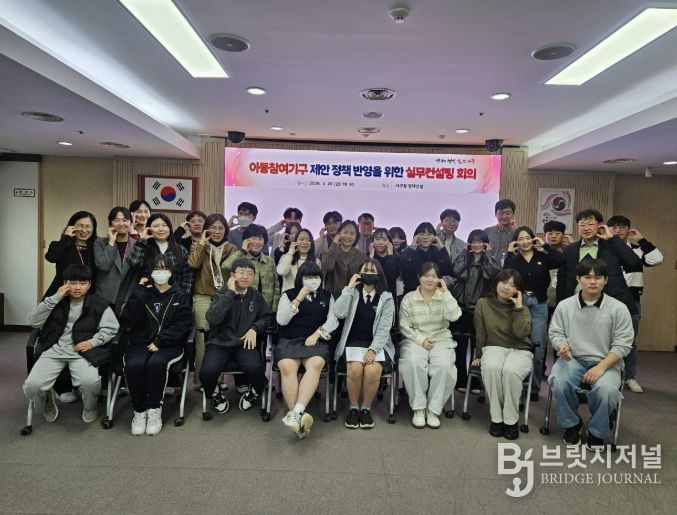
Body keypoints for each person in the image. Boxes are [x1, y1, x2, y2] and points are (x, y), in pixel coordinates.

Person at [548, 259, 633, 450]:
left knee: (607, 390)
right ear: (578, 279)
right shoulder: (565, 306)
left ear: (606, 280)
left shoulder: (618, 308)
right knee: (558, 381)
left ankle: (597, 430)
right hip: (573, 359)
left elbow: (623, 344)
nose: (593, 282)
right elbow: (556, 332)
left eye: (598, 277)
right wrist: (561, 345)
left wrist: (601, 367)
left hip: (606, 362)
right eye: (587, 277)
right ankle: (572, 424)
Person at [23, 264, 119, 424]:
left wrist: (92, 342)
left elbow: (111, 328)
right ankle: (47, 402)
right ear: (65, 283)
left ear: (89, 285)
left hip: (82, 352)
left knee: (90, 382)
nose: (77, 287)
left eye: (82, 283)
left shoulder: (99, 304)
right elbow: (33, 322)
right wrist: (55, 298)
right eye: (72, 283)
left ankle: (90, 408)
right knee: (32, 386)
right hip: (53, 350)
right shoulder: (55, 301)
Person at [122, 256, 192, 435]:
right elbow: (129, 319)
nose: (161, 273)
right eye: (157, 269)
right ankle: (139, 411)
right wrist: (139, 292)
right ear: (150, 272)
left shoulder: (180, 295)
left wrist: (160, 341)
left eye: (164, 268)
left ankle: (154, 409)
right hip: (141, 342)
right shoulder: (142, 292)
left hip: (169, 344)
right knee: (134, 364)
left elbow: (183, 325)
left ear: (171, 272)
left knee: (156, 363)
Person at [328, 259, 396, 429]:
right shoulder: (353, 293)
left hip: (377, 344)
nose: (369, 273)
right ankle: (353, 408)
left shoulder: (386, 298)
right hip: (353, 343)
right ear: (359, 274)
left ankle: (365, 408)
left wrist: (373, 349)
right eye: (365, 270)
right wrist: (349, 288)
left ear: (379, 274)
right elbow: (338, 312)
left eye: (373, 270)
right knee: (355, 369)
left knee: (372, 370)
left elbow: (384, 329)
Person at [200, 259, 274, 413]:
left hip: (244, 344)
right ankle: (215, 394)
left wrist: (254, 328)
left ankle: (254, 393)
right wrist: (230, 293)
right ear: (232, 275)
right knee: (207, 372)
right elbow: (213, 318)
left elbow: (267, 318)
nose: (246, 277)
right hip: (220, 343)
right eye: (241, 273)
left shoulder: (256, 296)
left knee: (256, 369)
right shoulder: (220, 295)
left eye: (250, 273)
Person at [399, 262, 462, 428]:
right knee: (413, 362)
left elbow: (455, 316)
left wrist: (446, 292)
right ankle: (419, 408)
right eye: (426, 276)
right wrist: (420, 339)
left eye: (434, 276)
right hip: (415, 339)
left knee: (444, 365)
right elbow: (404, 325)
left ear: (439, 279)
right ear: (419, 277)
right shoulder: (409, 298)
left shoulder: (444, 296)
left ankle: (433, 410)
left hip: (441, 339)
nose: (430, 280)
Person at [275, 261, 334, 438]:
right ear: (301, 278)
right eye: (308, 276)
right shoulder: (289, 294)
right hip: (289, 340)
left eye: (316, 276)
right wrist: (299, 298)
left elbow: (333, 320)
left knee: (316, 364)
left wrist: (318, 333)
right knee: (287, 366)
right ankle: (298, 420)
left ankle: (296, 412)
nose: (312, 280)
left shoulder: (327, 295)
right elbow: (281, 320)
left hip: (315, 340)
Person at [503, 225, 563, 399]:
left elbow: (560, 260)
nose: (525, 242)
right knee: (517, 343)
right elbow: (505, 275)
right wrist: (509, 252)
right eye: (520, 239)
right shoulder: (514, 259)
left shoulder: (542, 256)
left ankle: (534, 387)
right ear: (516, 242)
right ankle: (516, 383)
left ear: (533, 239)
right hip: (518, 303)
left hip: (539, 304)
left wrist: (544, 245)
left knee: (538, 346)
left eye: (527, 238)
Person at [472, 269, 532, 440]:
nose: (506, 288)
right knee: (492, 368)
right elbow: (480, 332)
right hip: (493, 347)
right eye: (504, 282)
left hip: (519, 350)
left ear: (518, 290)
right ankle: (497, 419)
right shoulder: (483, 304)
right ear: (496, 283)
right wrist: (478, 355)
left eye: (512, 285)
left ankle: (511, 421)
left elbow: (521, 333)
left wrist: (518, 307)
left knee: (510, 371)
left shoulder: (523, 308)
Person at [607, 215, 664, 393]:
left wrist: (641, 240)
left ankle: (629, 377)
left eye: (622, 227)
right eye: (614, 227)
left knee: (629, 340)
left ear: (628, 230)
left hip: (631, 301)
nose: (618, 231)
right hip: (607, 301)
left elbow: (657, 259)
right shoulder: (604, 249)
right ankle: (607, 374)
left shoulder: (637, 250)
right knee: (604, 339)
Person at [556, 209, 642, 318]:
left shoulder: (612, 246)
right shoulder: (570, 250)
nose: (586, 228)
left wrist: (612, 238)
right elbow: (562, 281)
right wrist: (560, 307)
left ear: (600, 225)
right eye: (582, 225)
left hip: (609, 305)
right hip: (577, 305)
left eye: (590, 224)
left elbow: (634, 262)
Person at [188, 213, 238, 389]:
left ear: (226, 230)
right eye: (213, 228)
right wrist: (202, 243)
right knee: (202, 339)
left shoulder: (232, 248)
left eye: (221, 228)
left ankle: (218, 380)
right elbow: (192, 264)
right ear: (206, 229)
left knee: (220, 339)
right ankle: (202, 381)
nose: (217, 231)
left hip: (224, 298)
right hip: (203, 296)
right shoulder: (199, 245)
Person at [450, 229, 500, 393]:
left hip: (481, 307)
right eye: (474, 241)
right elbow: (457, 271)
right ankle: (461, 378)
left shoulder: (490, 259)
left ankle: (475, 379)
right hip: (461, 306)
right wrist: (466, 253)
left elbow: (492, 273)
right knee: (460, 344)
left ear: (486, 244)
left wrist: (488, 254)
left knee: (478, 344)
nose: (477, 245)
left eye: (480, 241)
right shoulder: (464, 257)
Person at [126, 213, 194, 295]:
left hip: (175, 298)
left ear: (170, 228)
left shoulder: (181, 250)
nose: (161, 229)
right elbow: (134, 263)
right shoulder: (143, 247)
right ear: (148, 229)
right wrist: (142, 240)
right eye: (155, 226)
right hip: (148, 296)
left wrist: (184, 296)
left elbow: (188, 276)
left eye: (164, 225)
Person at [223, 224, 280, 311]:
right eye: (253, 238)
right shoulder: (240, 257)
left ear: (264, 241)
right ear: (245, 240)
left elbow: (276, 286)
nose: (256, 242)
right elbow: (225, 267)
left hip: (265, 308)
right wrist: (243, 251)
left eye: (260, 239)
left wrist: (274, 310)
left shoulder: (269, 261)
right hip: (244, 309)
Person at [44, 211, 98, 298]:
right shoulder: (62, 244)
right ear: (72, 226)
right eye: (80, 226)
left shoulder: (97, 248)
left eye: (88, 226)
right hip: (62, 295)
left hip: (88, 297)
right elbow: (51, 257)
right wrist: (66, 237)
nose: (84, 230)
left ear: (93, 228)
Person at [94, 207, 137, 312]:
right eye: (116, 220)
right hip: (104, 297)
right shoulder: (100, 242)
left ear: (131, 223)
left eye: (125, 220)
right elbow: (103, 266)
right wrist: (111, 243)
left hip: (127, 297)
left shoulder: (137, 245)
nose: (121, 224)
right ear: (110, 224)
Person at [399, 222, 452, 295]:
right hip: (412, 293)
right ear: (416, 236)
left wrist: (441, 246)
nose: (425, 237)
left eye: (429, 234)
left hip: (434, 293)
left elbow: (447, 270)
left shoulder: (437, 251)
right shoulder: (409, 251)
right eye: (422, 234)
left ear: (434, 236)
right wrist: (413, 244)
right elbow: (405, 269)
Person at [321, 220, 368, 299]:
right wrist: (334, 244)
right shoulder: (330, 251)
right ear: (339, 233)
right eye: (345, 232)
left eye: (352, 234)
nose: (348, 236)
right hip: (332, 297)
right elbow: (328, 268)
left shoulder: (361, 255)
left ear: (356, 236)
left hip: (353, 297)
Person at [276, 228, 319, 293]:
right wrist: (291, 251)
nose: (305, 242)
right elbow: (281, 271)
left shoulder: (316, 261)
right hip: (290, 297)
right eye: (301, 239)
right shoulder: (286, 257)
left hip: (309, 297)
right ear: (295, 242)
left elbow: (319, 285)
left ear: (311, 243)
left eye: (308, 240)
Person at [484, 199, 517, 265]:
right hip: (491, 269)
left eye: (508, 213)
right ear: (496, 214)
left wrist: (516, 230)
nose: (504, 217)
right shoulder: (487, 232)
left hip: (512, 269)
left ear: (513, 214)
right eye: (501, 213)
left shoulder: (517, 233)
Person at [368, 228, 399, 299]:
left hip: (389, 296)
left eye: (384, 239)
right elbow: (368, 276)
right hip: (372, 295)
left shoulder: (396, 258)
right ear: (372, 241)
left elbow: (391, 276)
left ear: (389, 242)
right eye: (377, 239)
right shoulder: (368, 257)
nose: (380, 242)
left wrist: (390, 255)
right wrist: (371, 256)